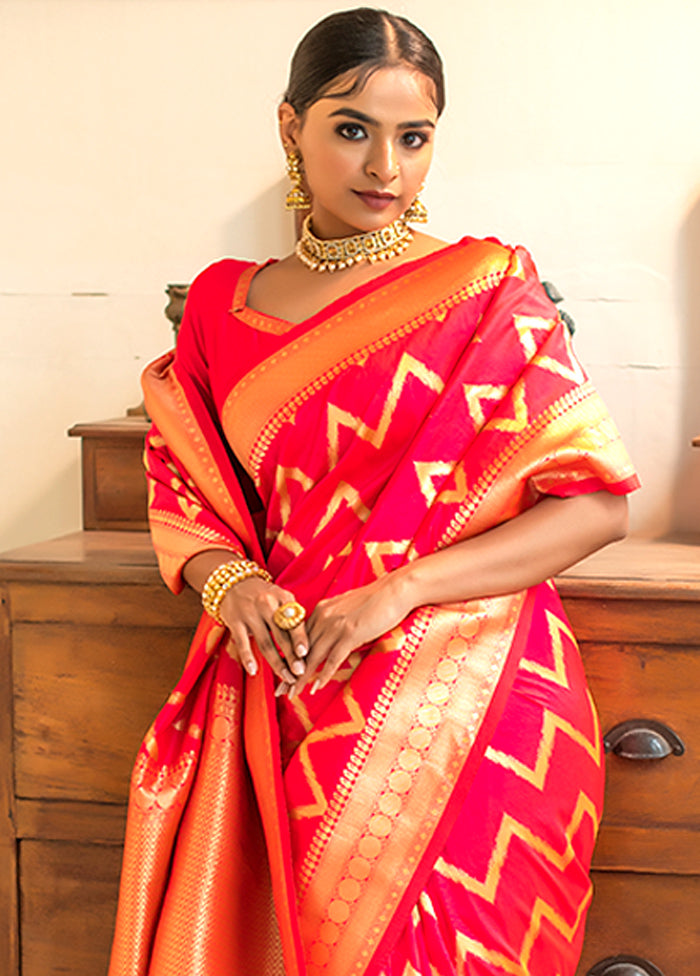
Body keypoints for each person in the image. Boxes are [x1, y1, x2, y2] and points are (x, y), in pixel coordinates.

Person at [108, 8, 639, 976]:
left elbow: (594, 504)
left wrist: (399, 589)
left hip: (474, 704)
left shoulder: (485, 291)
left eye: (413, 136)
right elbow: (184, 490)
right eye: (351, 128)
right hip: (293, 682)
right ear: (290, 128)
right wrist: (234, 585)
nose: (384, 166)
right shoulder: (222, 309)